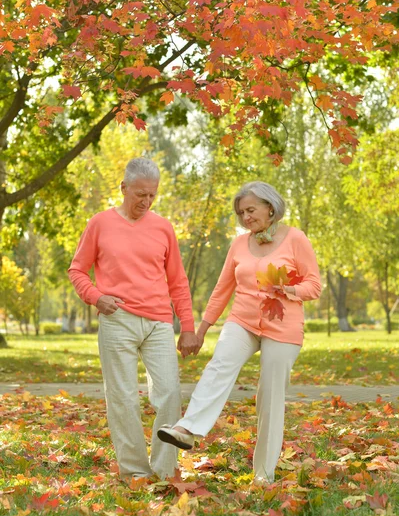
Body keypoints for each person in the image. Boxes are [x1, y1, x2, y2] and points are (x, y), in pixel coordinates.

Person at [158, 181, 321, 485]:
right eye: (241, 213)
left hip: (282, 327)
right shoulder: (238, 244)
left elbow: (314, 285)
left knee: (269, 398)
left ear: (270, 207)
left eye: (250, 209)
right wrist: (201, 330)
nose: (246, 217)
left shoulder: (296, 239)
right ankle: (188, 429)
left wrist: (288, 289)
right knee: (220, 364)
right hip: (242, 321)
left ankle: (263, 475)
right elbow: (222, 291)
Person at [68, 157, 197, 481]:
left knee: (169, 393)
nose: (146, 201)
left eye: (152, 195)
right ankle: (136, 472)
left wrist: (188, 327)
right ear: (124, 187)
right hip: (118, 319)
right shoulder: (100, 223)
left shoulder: (163, 227)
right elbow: (77, 270)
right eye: (140, 194)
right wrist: (96, 297)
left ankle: (164, 469)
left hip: (158, 322)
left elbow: (178, 281)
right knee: (123, 398)